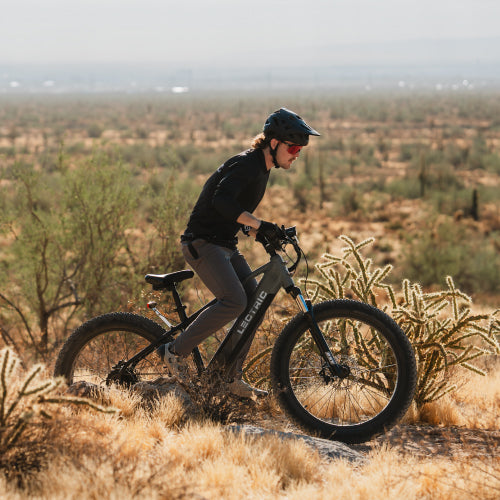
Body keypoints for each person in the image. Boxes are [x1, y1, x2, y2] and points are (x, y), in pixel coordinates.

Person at [158, 108, 320, 398]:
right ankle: (174, 351)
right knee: (235, 301)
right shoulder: (247, 164)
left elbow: (235, 214)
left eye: (301, 149)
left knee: (253, 304)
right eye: (293, 147)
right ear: (273, 143)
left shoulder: (262, 169)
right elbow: (222, 201)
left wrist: (262, 233)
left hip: (224, 244)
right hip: (203, 244)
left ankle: (228, 376)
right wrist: (258, 224)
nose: (297, 154)